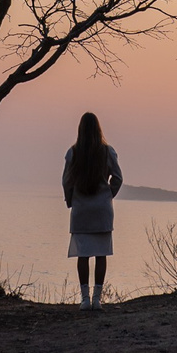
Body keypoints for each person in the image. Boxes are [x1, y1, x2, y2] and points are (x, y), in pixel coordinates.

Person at [62, 112, 123, 308]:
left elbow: (66, 181)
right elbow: (118, 178)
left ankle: (85, 299)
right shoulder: (107, 152)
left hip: (81, 210)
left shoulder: (73, 153)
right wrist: (107, 195)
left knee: (83, 254)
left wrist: (71, 200)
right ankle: (97, 299)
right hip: (101, 210)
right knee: (101, 254)